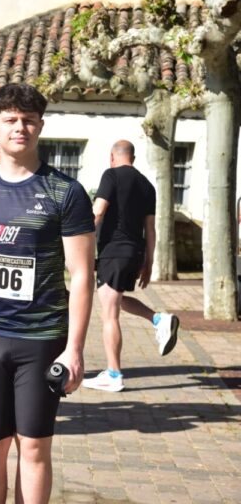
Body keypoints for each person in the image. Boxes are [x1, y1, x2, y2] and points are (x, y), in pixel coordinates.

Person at [0, 83, 95, 503]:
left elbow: (82, 274)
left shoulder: (65, 192)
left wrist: (74, 349)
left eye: (29, 120)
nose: (20, 127)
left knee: (33, 447)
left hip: (41, 339)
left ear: (40, 126)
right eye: (11, 120)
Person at [82, 140, 179, 392]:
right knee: (117, 300)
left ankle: (113, 374)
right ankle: (158, 319)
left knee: (109, 314)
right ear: (132, 158)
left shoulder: (111, 175)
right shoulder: (147, 186)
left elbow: (98, 211)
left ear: (112, 156)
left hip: (114, 252)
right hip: (134, 252)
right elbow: (150, 229)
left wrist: (79, 238)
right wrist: (149, 262)